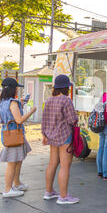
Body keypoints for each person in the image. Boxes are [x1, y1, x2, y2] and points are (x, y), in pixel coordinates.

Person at [41, 74, 79, 205]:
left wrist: (44, 134)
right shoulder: (66, 100)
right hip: (64, 136)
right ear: (66, 87)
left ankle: (49, 191)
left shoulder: (49, 100)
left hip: (51, 136)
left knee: (52, 163)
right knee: (65, 165)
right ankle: (63, 196)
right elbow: (72, 119)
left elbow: (44, 119)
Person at [0, 78, 36, 198]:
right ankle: (8, 189)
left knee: (18, 159)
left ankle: (17, 183)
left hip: (8, 133)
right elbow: (19, 120)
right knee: (12, 162)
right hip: (15, 134)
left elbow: (0, 119)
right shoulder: (12, 103)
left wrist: (20, 104)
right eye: (16, 87)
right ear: (13, 89)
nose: (18, 89)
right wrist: (31, 111)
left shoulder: (2, 102)